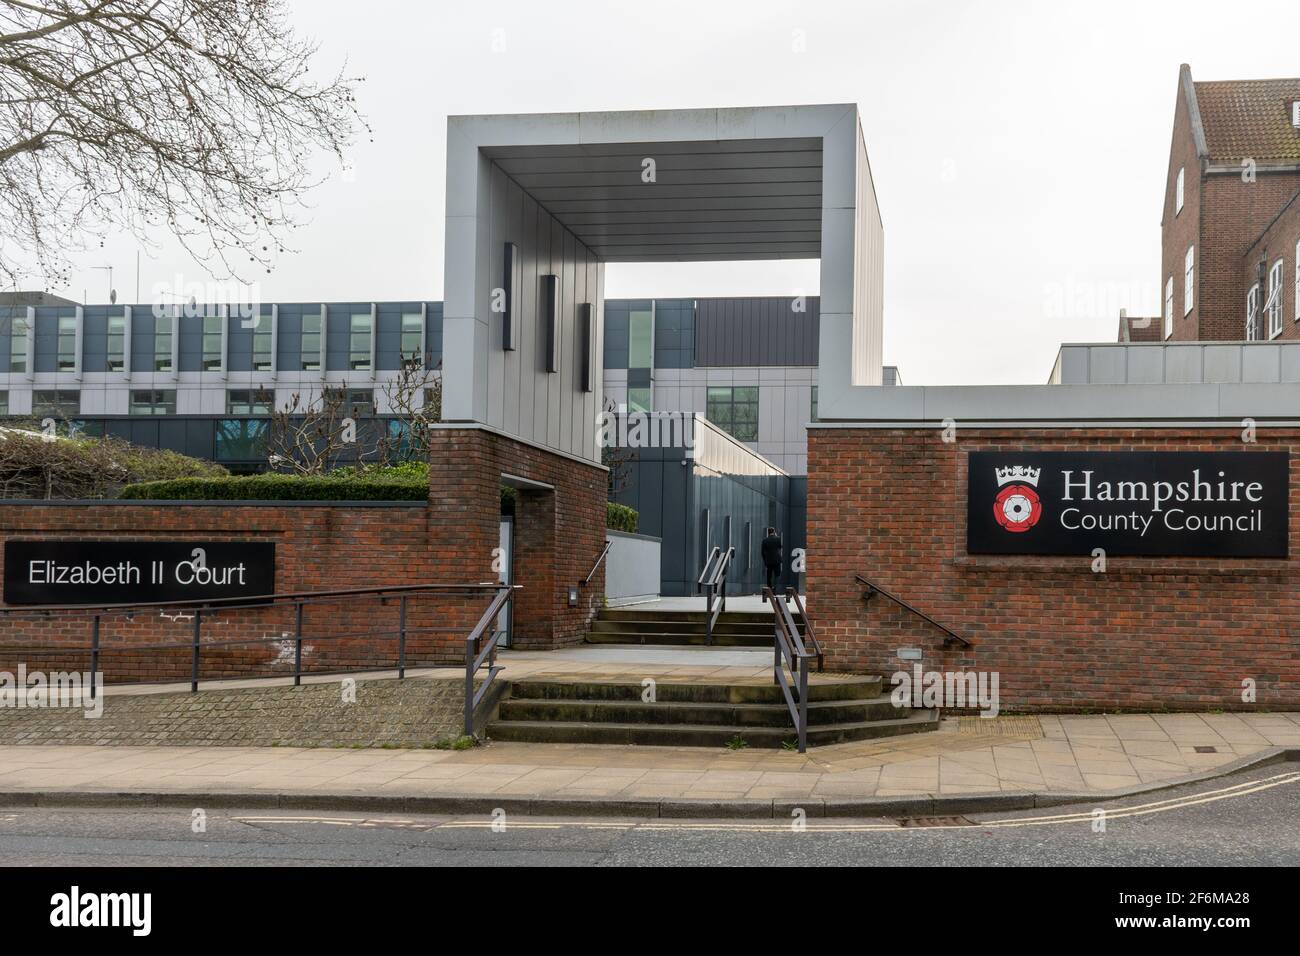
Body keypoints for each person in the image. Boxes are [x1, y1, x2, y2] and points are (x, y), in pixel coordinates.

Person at [761, 527, 783, 595]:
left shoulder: (765, 540)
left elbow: (762, 552)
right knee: (777, 575)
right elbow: (780, 547)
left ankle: (769, 590)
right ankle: (775, 589)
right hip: (777, 560)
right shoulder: (778, 539)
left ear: (768, 532)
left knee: (769, 576)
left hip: (769, 561)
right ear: (774, 531)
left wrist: (765, 561)